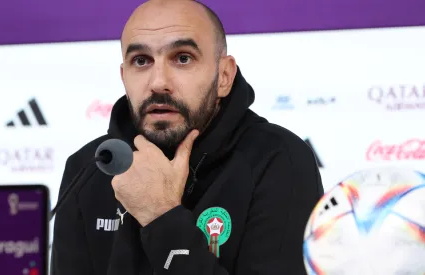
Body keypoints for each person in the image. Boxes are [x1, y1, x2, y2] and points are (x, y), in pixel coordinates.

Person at [51, 0, 324, 274]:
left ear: (224, 76)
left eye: (183, 58)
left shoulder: (279, 160)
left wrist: (161, 217)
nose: (158, 82)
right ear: (124, 76)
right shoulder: (88, 168)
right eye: (141, 61)